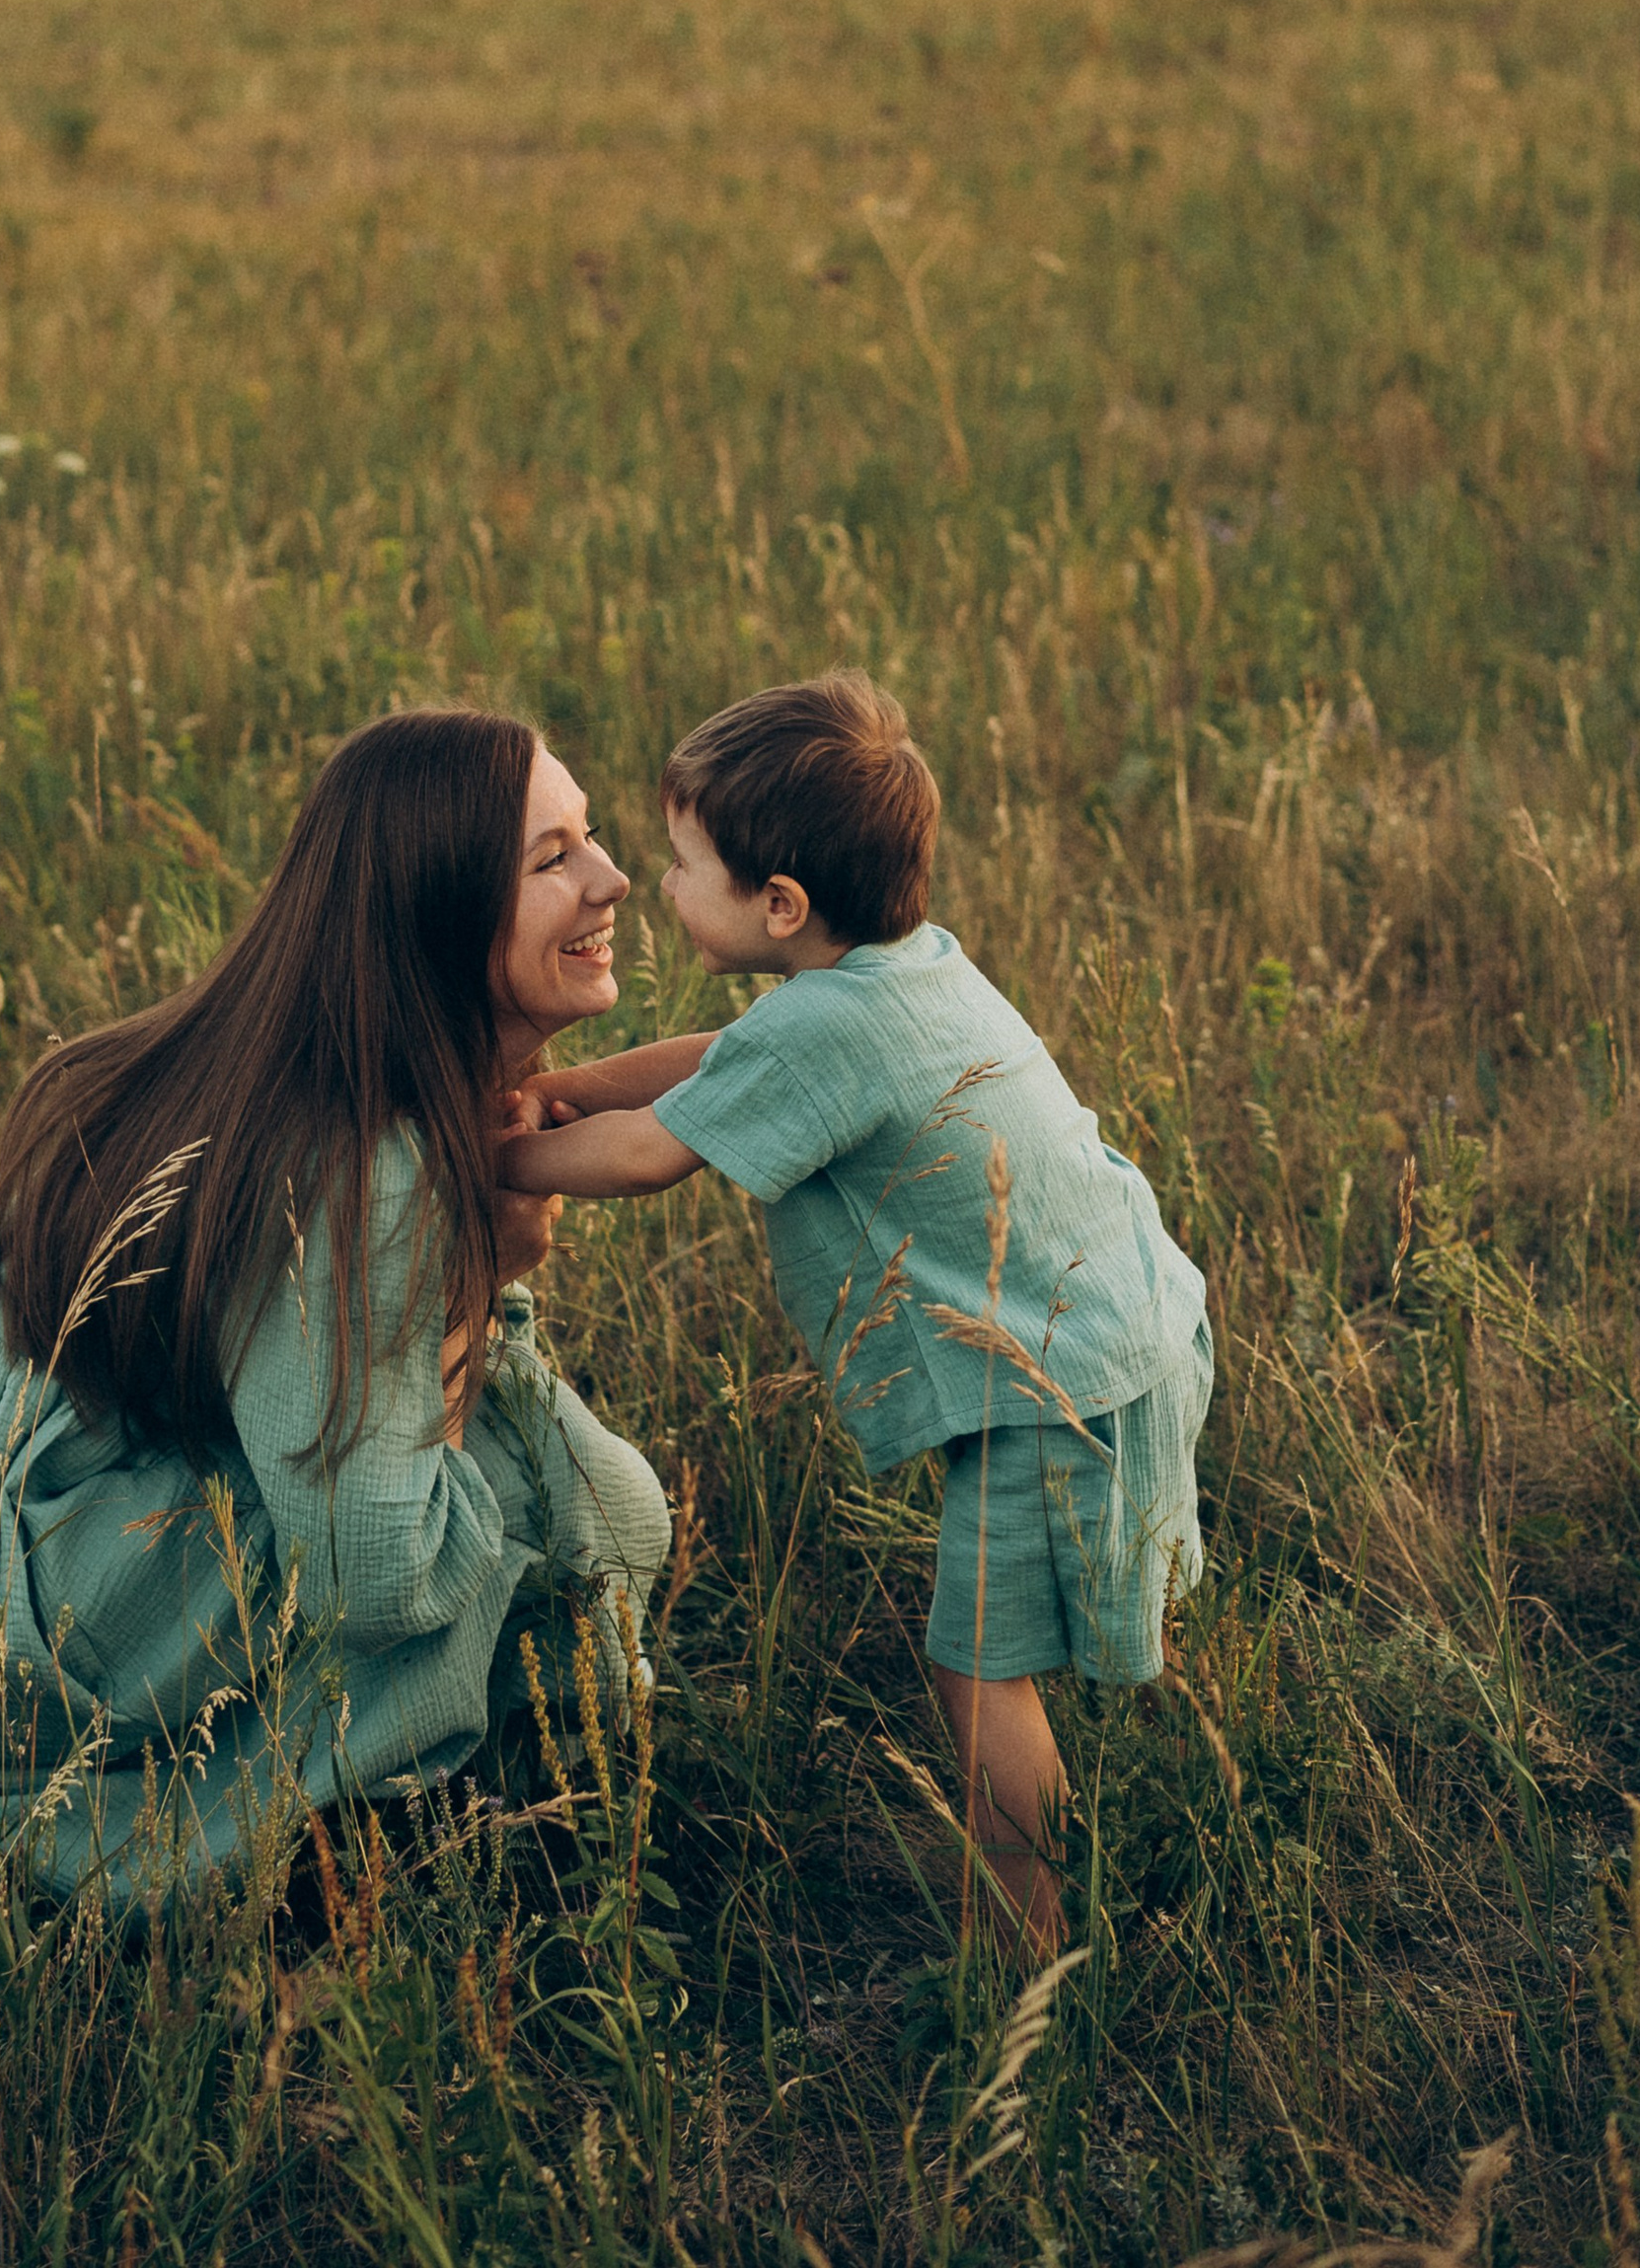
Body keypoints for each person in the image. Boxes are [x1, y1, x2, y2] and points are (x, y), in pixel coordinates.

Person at [0, 709, 670, 1905]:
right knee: (584, 1519)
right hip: (6, 1650)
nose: (612, 879)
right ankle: (218, 1835)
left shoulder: (266, 1041)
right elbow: (379, 1574)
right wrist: (474, 1278)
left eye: (591, 836)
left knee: (577, 1491)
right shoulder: (373, 1167)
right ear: (438, 913)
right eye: (552, 859)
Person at [500, 671, 1209, 1954]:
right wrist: (579, 1083)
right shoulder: (892, 972)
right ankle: (1136, 1850)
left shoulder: (829, 1026)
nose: (656, 886)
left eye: (682, 864)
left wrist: (476, 1153)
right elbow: (725, 1062)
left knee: (980, 1667)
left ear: (778, 904)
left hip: (1054, 1382)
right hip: (1114, 1327)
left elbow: (652, 1157)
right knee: (1032, 1635)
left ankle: (1028, 1948)